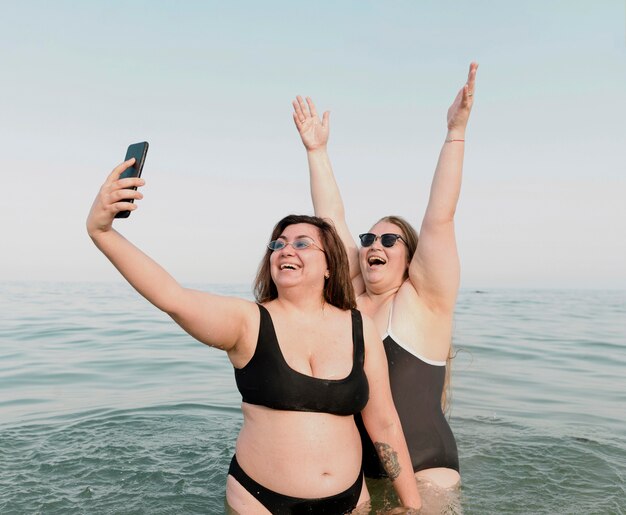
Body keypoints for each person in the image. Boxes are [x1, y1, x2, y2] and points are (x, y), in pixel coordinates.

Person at [86, 163, 422, 514]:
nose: (286, 250)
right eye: (278, 244)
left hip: (351, 501)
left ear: (329, 266)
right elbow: (173, 297)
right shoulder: (248, 322)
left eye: (302, 243)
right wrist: (102, 232)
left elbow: (383, 421)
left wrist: (414, 506)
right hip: (261, 502)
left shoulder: (360, 328)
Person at [292, 63, 478, 495]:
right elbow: (330, 218)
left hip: (428, 473)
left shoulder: (423, 300)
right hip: (360, 475)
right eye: (368, 238)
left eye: (389, 239)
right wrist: (316, 152)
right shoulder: (349, 300)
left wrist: (455, 133)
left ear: (410, 258)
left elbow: (440, 217)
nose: (375, 244)